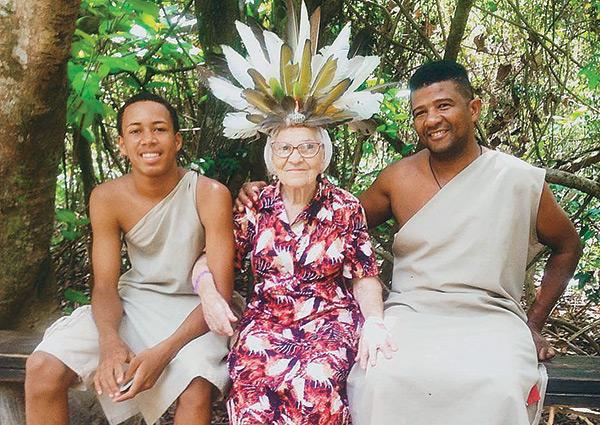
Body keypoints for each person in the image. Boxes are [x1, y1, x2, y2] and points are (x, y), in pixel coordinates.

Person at [235, 60, 583, 425]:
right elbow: (332, 220)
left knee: (500, 385)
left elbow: (568, 247)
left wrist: (533, 323)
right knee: (377, 379)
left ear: (474, 108)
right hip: (412, 313)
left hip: (493, 317)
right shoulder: (398, 179)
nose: (432, 119)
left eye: (444, 106)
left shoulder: (518, 179)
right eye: (420, 112)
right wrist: (271, 193)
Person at [193, 3, 397, 423]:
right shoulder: (255, 205)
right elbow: (208, 261)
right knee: (250, 393)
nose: (296, 157)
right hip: (266, 321)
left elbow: (364, 275)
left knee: (315, 389)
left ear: (324, 155)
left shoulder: (344, 206)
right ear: (272, 158)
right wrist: (209, 294)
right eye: (284, 148)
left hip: (329, 322)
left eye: (307, 147)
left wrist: (375, 322)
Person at [25, 92, 235, 425]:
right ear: (122, 144)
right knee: (43, 367)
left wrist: (164, 353)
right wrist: (109, 341)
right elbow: (105, 286)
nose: (148, 139)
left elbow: (221, 294)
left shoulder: (209, 194)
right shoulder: (107, 197)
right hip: (134, 302)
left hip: (196, 310)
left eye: (159, 129)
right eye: (136, 131)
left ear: (177, 140)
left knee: (195, 386)